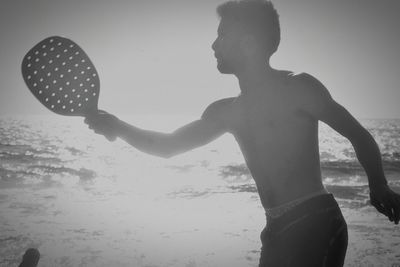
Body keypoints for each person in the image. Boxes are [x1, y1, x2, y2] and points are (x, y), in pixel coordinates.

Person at [85, 0, 400, 266]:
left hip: (316, 220)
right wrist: (118, 127)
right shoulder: (226, 111)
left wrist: (378, 185)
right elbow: (168, 146)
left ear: (248, 42)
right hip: (276, 227)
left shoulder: (299, 88)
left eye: (222, 34)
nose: (213, 44)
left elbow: (357, 134)